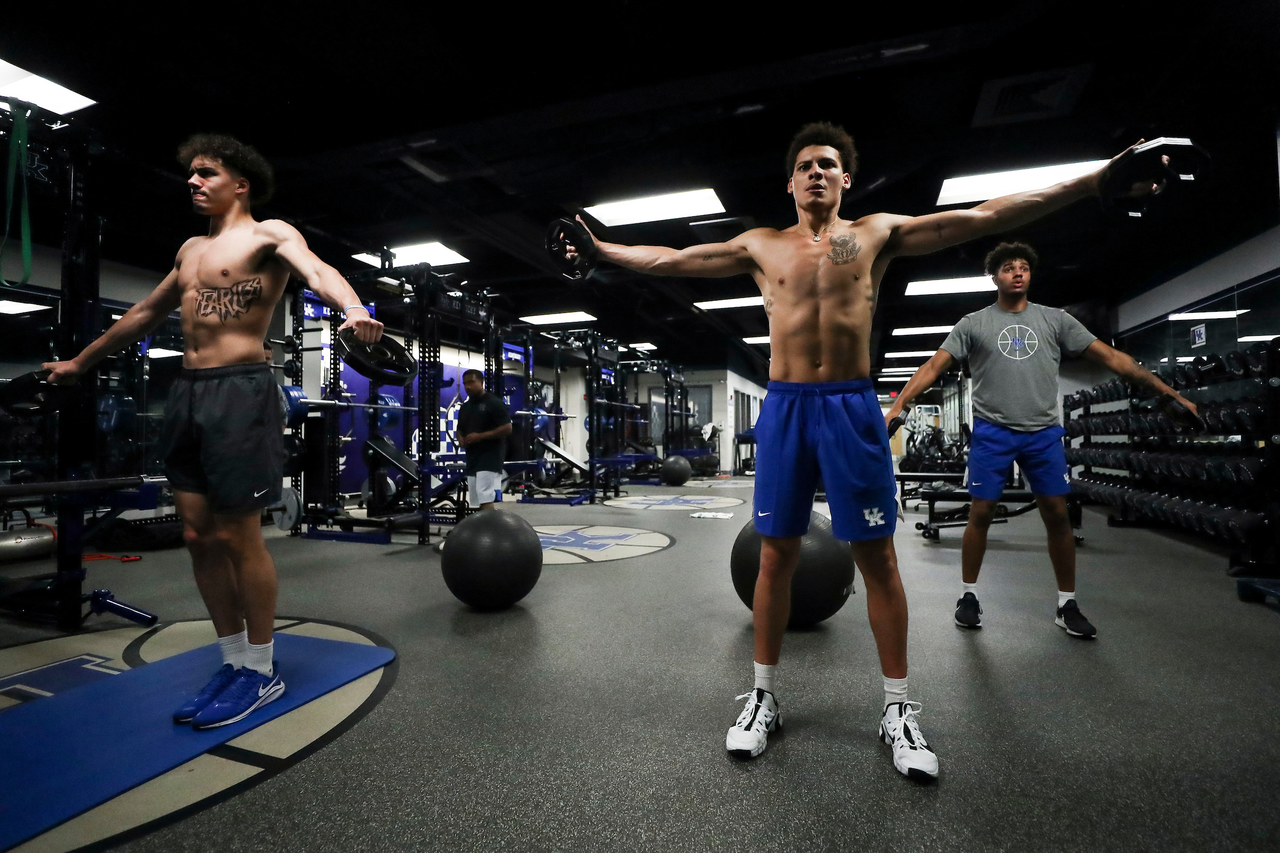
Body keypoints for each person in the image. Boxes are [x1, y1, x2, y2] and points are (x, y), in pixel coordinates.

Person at [565, 121, 1162, 780]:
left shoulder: (876, 233)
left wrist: (1097, 177)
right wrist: (602, 250)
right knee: (775, 555)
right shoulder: (760, 246)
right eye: (805, 165)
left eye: (828, 164)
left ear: (845, 179)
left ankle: (898, 709)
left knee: (878, 558)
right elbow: (674, 259)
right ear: (789, 183)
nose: (817, 172)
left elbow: (987, 213)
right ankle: (762, 696)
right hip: (787, 407)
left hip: (852, 407)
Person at [42, 133, 383, 729]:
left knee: (238, 537)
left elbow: (319, 270)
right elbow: (146, 313)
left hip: (242, 392)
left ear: (240, 183)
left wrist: (351, 307)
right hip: (188, 393)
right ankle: (232, 660)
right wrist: (80, 363)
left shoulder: (270, 234)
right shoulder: (189, 250)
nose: (194, 183)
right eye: (191, 175)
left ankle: (261, 668)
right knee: (198, 536)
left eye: (206, 174)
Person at [883, 241, 1197, 639]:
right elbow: (933, 365)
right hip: (992, 432)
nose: (1017, 272)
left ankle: (1067, 603)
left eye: (1024, 268)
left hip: (1042, 433)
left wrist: (1168, 392)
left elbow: (1113, 358)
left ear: (1031, 276)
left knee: (1056, 513)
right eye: (1008, 268)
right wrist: (899, 405)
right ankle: (968, 596)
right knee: (980, 512)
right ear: (994, 276)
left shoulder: (1056, 320)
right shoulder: (973, 323)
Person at [457, 369, 512, 510]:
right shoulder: (465, 407)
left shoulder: (494, 403)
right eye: (465, 384)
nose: (467, 386)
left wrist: (480, 436)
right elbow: (460, 429)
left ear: (481, 382)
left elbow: (507, 428)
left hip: (490, 456)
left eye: (471, 382)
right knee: (476, 497)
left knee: (485, 495)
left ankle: (490, 528)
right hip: (472, 456)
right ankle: (482, 527)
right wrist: (460, 439)